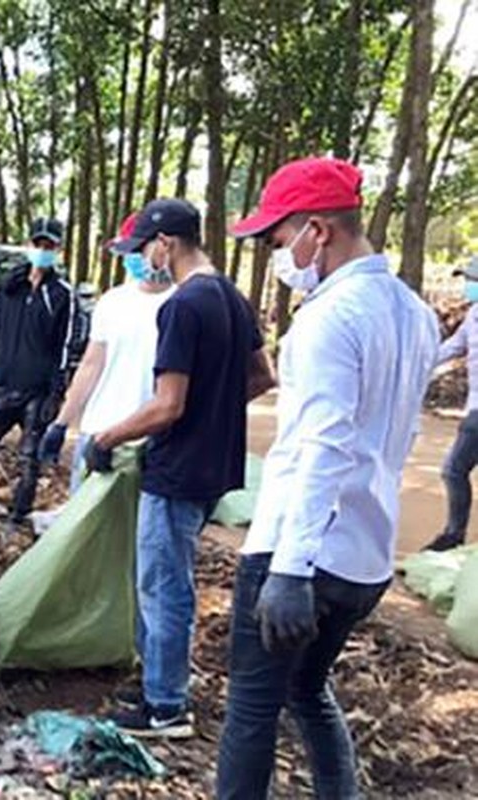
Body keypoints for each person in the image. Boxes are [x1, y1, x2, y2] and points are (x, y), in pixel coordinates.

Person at [215, 158, 439, 797]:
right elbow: (399, 436)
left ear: (318, 230)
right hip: (364, 556)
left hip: (300, 555)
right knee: (307, 691)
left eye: (279, 241)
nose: (278, 256)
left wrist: (289, 569)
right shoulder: (413, 312)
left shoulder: (325, 319)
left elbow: (323, 448)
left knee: (252, 712)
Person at [89, 198, 276, 737]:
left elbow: (167, 404)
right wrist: (215, 411)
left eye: (145, 247)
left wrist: (109, 435)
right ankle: (157, 681)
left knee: (163, 584)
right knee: (170, 579)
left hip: (176, 469)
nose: (145, 258)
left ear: (165, 244)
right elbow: (262, 376)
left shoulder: (181, 305)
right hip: (214, 466)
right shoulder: (233, 298)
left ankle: (165, 705)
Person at [0, 218, 78, 528]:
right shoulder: (9, 288)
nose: (42, 251)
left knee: (30, 459)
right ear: (28, 245)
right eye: (38, 244)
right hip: (3, 385)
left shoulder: (61, 295)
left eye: (49, 246)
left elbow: (66, 345)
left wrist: (57, 392)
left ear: (58, 250)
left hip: (38, 391)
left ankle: (18, 516)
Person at [38, 213, 174, 495]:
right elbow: (91, 365)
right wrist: (61, 423)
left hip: (150, 440)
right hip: (97, 431)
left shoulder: (182, 303)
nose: (132, 258)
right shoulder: (113, 302)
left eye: (136, 250)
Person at [426, 255, 478, 552]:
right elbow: (451, 348)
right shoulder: (473, 316)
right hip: (474, 408)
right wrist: (417, 359)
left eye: (473, 281)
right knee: (455, 470)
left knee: (453, 470)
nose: (468, 286)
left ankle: (454, 535)